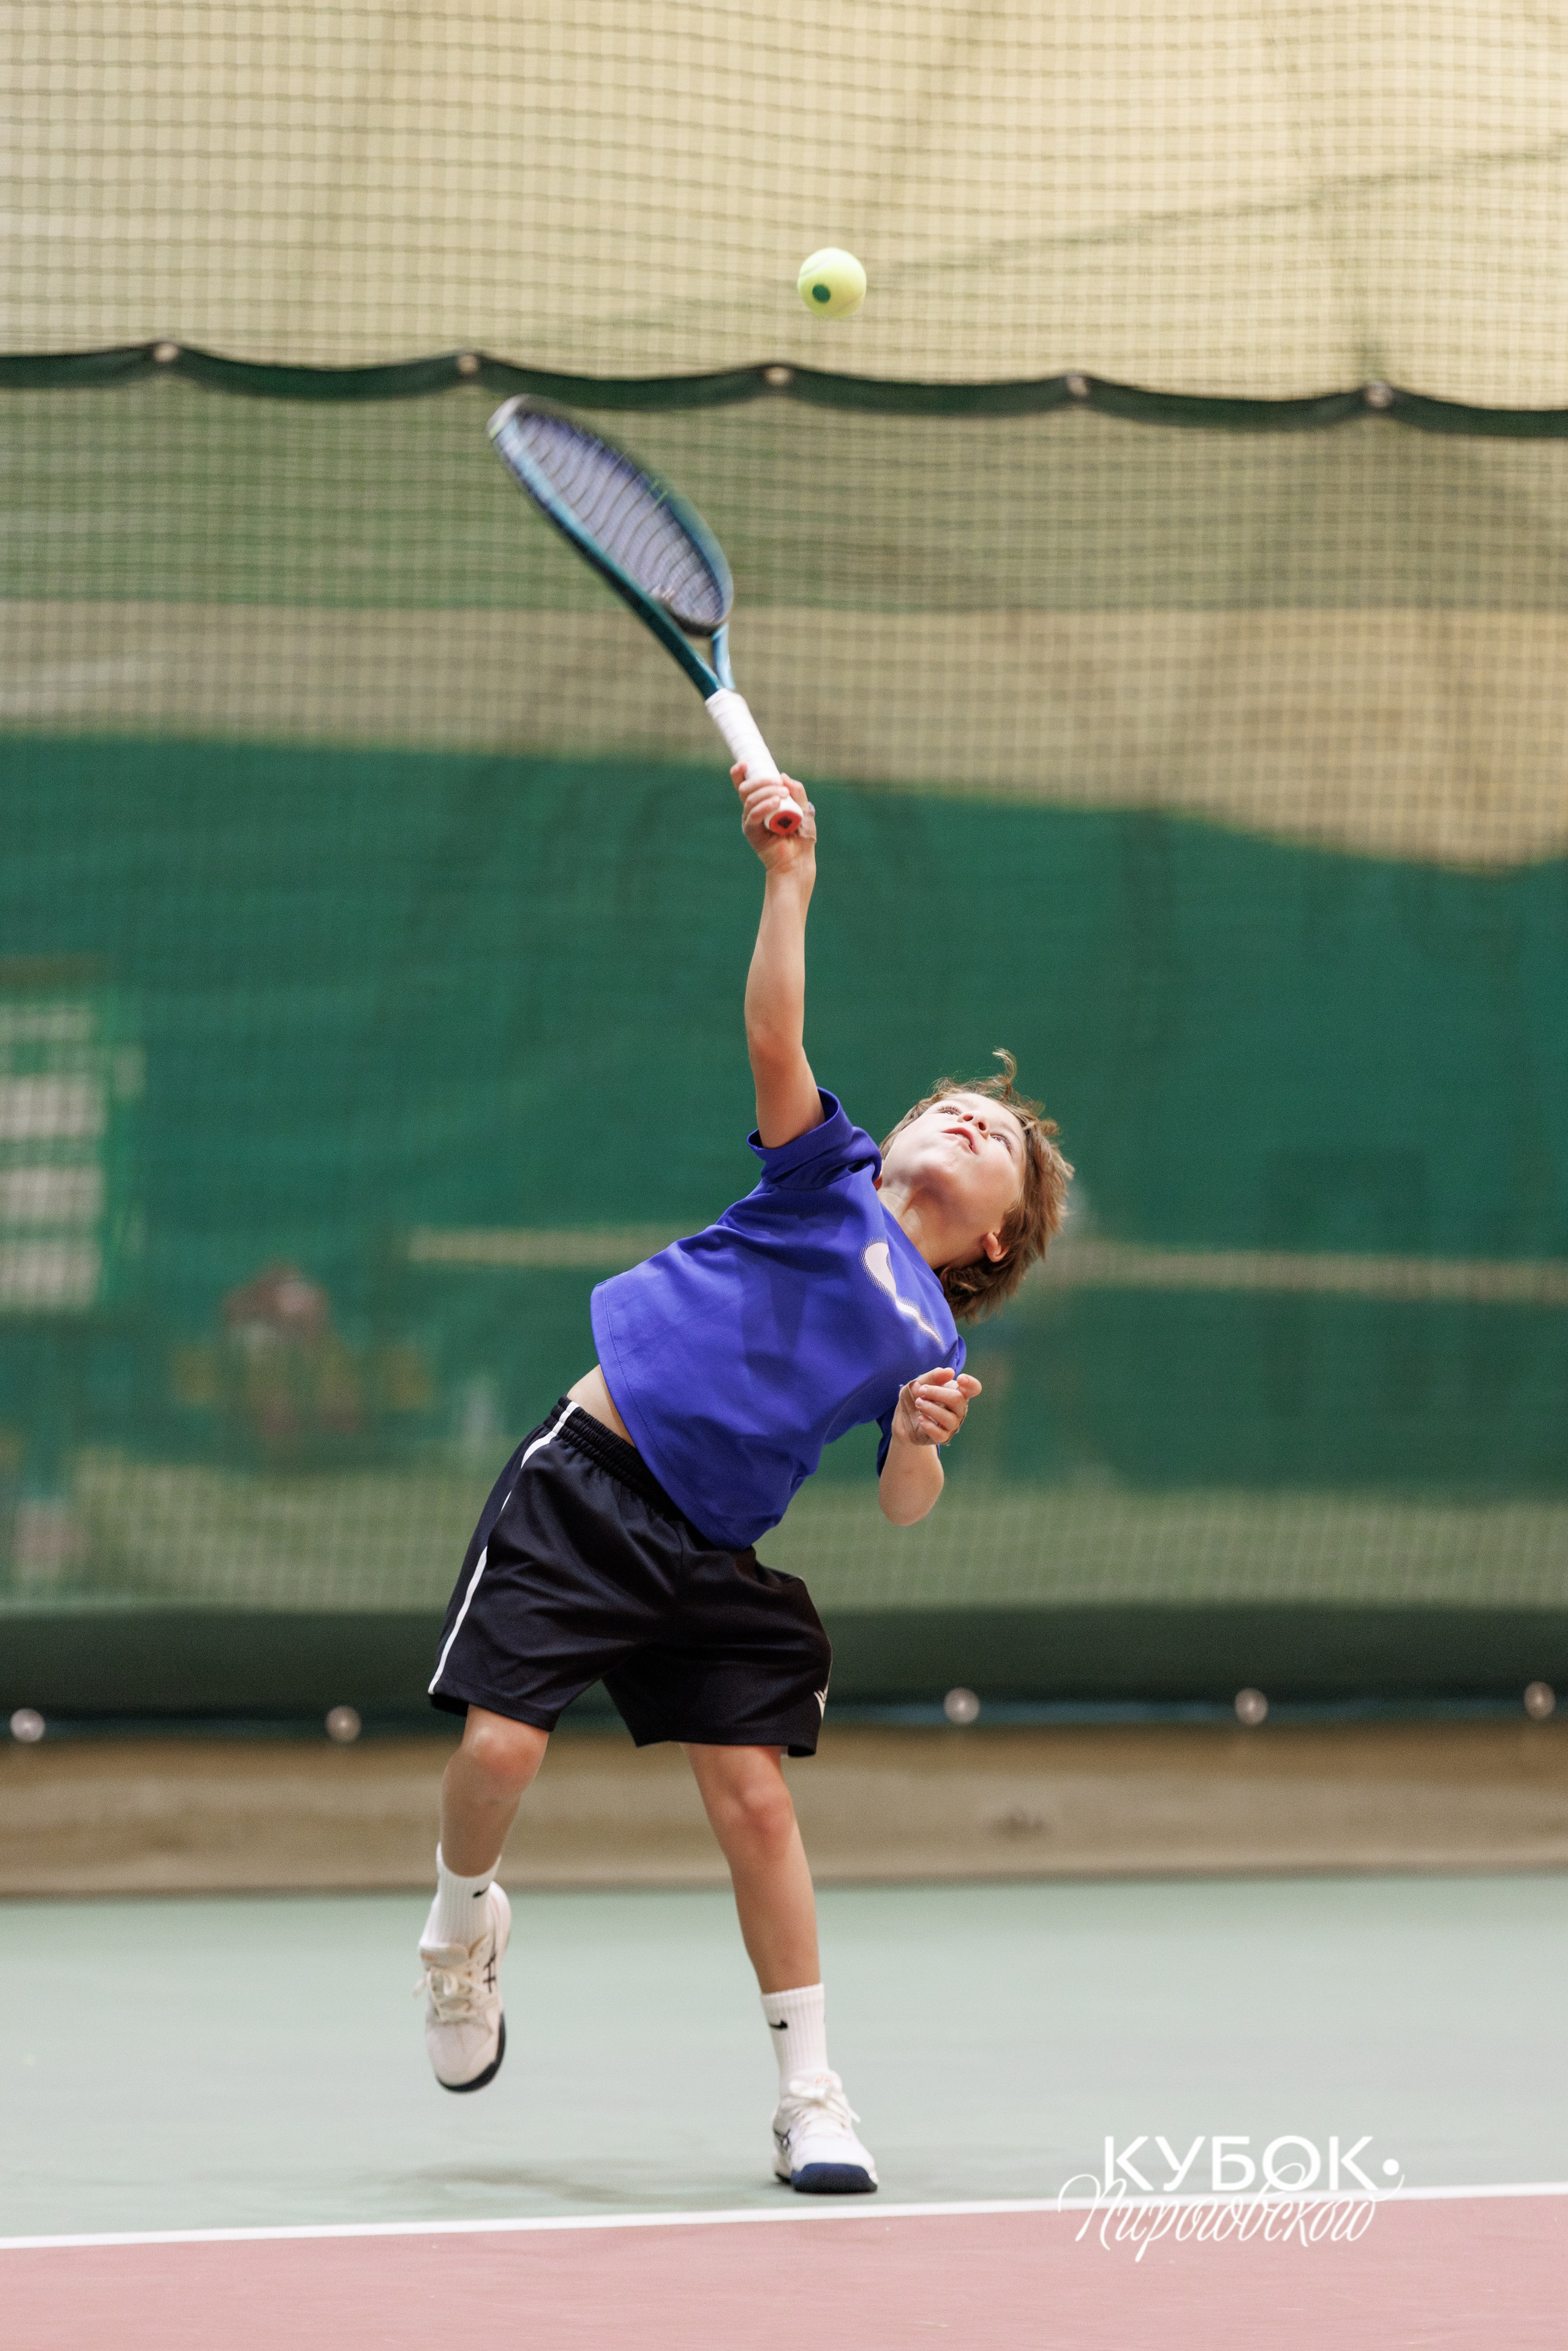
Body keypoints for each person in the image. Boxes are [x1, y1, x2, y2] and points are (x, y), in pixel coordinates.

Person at [415, 761, 1072, 2194]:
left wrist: (916, 1440)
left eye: (1002, 1142)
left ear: (995, 1240)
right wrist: (788, 878)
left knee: (758, 1804)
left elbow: (900, 1504)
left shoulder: (930, 1334)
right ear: (896, 1134)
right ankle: (461, 1926)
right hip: (586, 1482)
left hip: (707, 1550)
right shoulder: (822, 1174)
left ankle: (809, 2095)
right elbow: (774, 1029)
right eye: (957, 1106)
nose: (973, 1121)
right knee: (498, 1754)